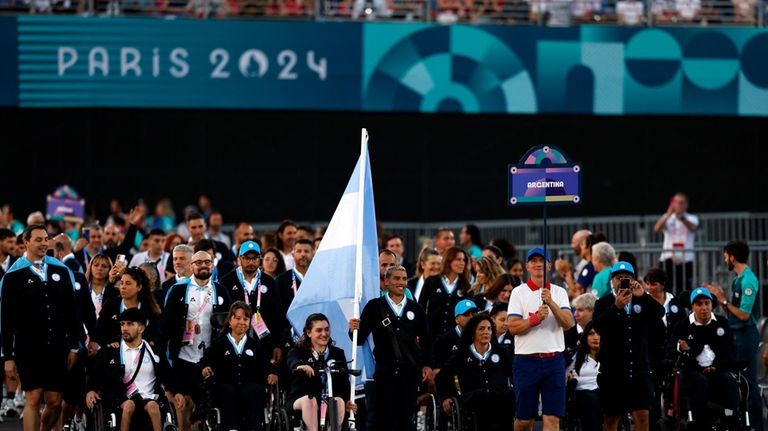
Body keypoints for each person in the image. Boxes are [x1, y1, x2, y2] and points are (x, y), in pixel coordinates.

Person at [0, 224, 83, 431]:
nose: (44, 243)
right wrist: (7, 356)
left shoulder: (61, 271)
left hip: (57, 346)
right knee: (33, 397)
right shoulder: (12, 276)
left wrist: (74, 345)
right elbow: (6, 319)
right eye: (38, 239)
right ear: (26, 243)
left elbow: (71, 311)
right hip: (28, 347)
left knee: (55, 402)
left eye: (46, 239)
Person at [349, 265, 433, 431]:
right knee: (382, 420)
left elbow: (427, 341)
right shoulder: (374, 307)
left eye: (404, 278)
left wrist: (427, 364)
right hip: (383, 374)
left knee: (405, 420)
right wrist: (352, 330)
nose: (401, 282)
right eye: (396, 278)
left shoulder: (416, 309)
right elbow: (359, 340)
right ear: (386, 282)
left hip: (409, 374)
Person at [161, 250, 232, 431]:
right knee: (183, 403)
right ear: (191, 266)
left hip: (209, 359)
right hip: (184, 356)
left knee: (204, 407)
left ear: (212, 265)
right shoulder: (178, 290)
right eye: (198, 262)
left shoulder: (221, 290)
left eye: (207, 262)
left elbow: (227, 326)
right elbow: (166, 324)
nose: (203, 265)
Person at [507, 247, 573, 431]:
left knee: (552, 418)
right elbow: (512, 327)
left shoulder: (559, 293)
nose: (538, 264)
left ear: (549, 266)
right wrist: (534, 319)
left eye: (542, 261)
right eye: (534, 261)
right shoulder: (518, 292)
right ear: (527, 265)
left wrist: (551, 303)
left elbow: (568, 323)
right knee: (524, 419)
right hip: (527, 361)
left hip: (554, 361)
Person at [86, 308, 184, 431]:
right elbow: (95, 377)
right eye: (122, 324)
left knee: (153, 406)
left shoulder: (154, 352)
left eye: (130, 324)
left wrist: (178, 392)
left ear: (141, 328)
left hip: (149, 398)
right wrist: (90, 390)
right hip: (119, 400)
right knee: (129, 405)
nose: (125, 328)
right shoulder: (111, 352)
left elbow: (169, 376)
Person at [593, 261, 664, 431]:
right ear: (612, 280)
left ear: (633, 280)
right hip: (613, 371)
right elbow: (599, 326)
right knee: (611, 418)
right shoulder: (603, 302)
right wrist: (616, 307)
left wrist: (644, 295)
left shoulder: (641, 300)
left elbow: (659, 314)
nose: (622, 281)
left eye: (626, 278)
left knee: (642, 416)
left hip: (638, 369)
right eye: (618, 278)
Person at [705, 240, 762, 430]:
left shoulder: (748, 280)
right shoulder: (738, 279)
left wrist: (723, 300)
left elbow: (744, 315)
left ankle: (756, 425)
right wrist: (723, 299)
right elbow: (735, 310)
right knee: (736, 379)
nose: (725, 260)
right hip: (737, 334)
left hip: (746, 336)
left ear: (732, 256)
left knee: (749, 381)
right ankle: (738, 422)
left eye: (725, 256)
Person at [667, 287, 740, 430]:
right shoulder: (682, 326)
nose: (704, 308)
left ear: (712, 304)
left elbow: (729, 351)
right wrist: (682, 349)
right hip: (692, 371)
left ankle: (730, 419)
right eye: (699, 304)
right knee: (700, 382)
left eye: (707, 303)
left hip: (717, 368)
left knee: (729, 382)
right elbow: (671, 352)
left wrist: (716, 366)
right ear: (692, 307)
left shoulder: (721, 323)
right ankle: (702, 422)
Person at [201, 302, 278, 431]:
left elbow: (265, 364)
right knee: (227, 392)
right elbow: (204, 361)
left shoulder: (255, 345)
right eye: (238, 318)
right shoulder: (219, 344)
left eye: (246, 319)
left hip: (250, 385)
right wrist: (205, 368)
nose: (242, 322)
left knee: (255, 391)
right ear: (230, 320)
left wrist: (271, 373)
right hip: (226, 386)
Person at [438, 314, 515, 431]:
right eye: (481, 329)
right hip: (474, 399)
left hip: (499, 398)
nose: (486, 332)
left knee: (510, 395)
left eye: (489, 329)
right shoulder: (462, 354)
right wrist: (446, 396)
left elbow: (514, 375)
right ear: (473, 333)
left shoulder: (501, 352)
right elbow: (442, 377)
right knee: (482, 396)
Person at [287, 313, 356, 431]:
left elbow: (344, 382)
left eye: (327, 330)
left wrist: (347, 401)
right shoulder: (298, 352)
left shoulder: (338, 353)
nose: (324, 334)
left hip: (329, 399)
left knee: (339, 401)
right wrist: (300, 366)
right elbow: (292, 361)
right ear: (308, 333)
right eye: (319, 330)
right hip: (302, 399)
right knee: (310, 401)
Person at [219, 241, 283, 365]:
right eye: (247, 258)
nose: (251, 262)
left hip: (265, 343)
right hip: (235, 343)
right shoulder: (226, 281)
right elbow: (223, 316)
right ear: (239, 259)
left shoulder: (269, 282)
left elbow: (278, 315)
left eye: (254, 258)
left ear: (259, 259)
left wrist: (277, 344)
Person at [94, 267, 162, 348]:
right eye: (121, 283)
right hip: (114, 355)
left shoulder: (149, 308)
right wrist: (109, 342)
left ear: (139, 287)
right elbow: (99, 331)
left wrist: (150, 343)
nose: (123, 287)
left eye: (128, 283)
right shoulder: (111, 304)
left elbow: (156, 335)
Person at [419, 246, 473, 338]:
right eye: (458, 259)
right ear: (449, 261)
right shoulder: (431, 281)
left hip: (455, 339)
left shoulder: (466, 287)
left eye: (464, 260)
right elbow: (421, 306)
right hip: (431, 337)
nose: (462, 263)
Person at [654, 193, 698, 295]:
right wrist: (668, 214)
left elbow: (693, 228)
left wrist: (682, 218)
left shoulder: (692, 218)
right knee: (665, 288)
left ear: (686, 205)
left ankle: (684, 310)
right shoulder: (668, 217)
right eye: (676, 202)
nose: (678, 205)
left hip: (686, 259)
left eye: (681, 203)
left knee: (684, 288)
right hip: (667, 258)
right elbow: (657, 228)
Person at [565, 321, 601, 431]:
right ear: (585, 336)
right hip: (583, 394)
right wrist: (566, 375)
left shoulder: (610, 356)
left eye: (599, 334)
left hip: (604, 392)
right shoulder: (576, 355)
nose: (596, 337)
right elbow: (565, 373)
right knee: (590, 399)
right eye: (591, 334)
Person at [433, 299, 478, 373]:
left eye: (474, 314)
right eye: (466, 314)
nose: (471, 317)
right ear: (457, 319)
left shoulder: (481, 338)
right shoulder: (443, 340)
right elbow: (436, 368)